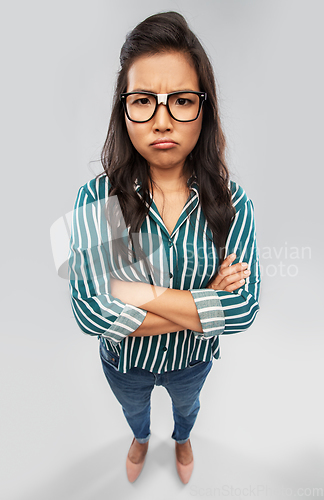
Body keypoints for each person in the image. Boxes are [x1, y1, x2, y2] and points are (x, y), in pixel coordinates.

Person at [68, 11, 261, 484]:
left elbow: (243, 310)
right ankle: (139, 438)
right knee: (134, 412)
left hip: (192, 361)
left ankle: (182, 438)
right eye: (143, 102)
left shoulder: (233, 205)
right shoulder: (98, 199)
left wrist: (130, 293)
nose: (161, 121)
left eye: (180, 101)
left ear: (204, 108)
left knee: (188, 409)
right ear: (123, 109)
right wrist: (205, 297)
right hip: (125, 365)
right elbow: (89, 313)